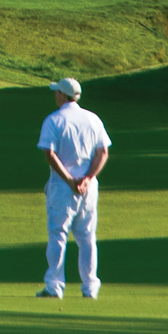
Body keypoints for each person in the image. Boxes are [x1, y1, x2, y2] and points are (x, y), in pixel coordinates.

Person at [37, 75, 110, 299]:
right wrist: (88, 178)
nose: (54, 94)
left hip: (62, 186)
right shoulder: (93, 119)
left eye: (56, 91)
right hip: (89, 188)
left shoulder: (54, 120)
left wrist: (70, 180)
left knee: (58, 235)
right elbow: (103, 152)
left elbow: (49, 154)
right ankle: (90, 287)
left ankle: (54, 286)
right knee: (87, 237)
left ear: (62, 95)